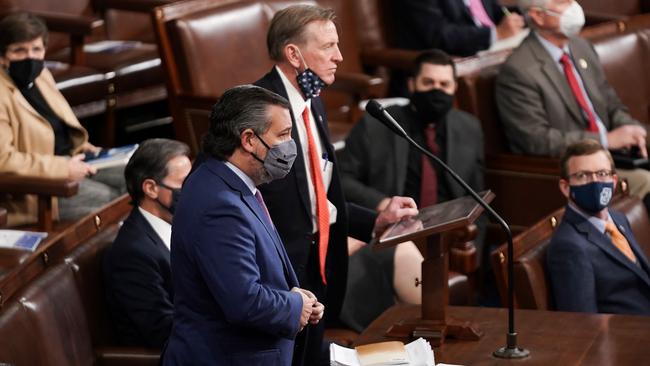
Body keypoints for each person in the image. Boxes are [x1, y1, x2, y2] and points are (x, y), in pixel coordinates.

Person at [254, 5, 418, 365]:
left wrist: (374, 219)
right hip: (279, 279)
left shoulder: (313, 102)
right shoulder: (257, 109)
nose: (339, 56)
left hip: (319, 266)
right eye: (328, 46)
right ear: (294, 54)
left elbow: (318, 194)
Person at [164, 85, 323, 365]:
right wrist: (296, 305)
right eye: (283, 134)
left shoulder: (226, 184)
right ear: (249, 139)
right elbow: (244, 302)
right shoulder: (219, 204)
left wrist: (297, 299)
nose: (290, 145)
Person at [338, 50, 485, 331]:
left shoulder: (469, 127)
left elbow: (476, 196)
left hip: (445, 231)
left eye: (444, 85)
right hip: (393, 229)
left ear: (455, 88)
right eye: (428, 83)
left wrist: (474, 249)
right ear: (411, 85)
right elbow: (342, 179)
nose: (436, 91)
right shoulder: (377, 124)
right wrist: (382, 204)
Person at [496, 0, 650, 199]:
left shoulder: (581, 46)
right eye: (562, 2)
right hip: (579, 166)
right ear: (538, 16)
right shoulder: (518, 70)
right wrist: (605, 141)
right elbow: (536, 140)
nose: (573, 6)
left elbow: (611, 104)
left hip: (620, 154)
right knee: (645, 182)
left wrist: (630, 132)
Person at [0, 12, 125, 226]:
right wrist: (62, 167)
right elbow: (3, 161)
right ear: (2, 56)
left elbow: (57, 125)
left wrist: (83, 148)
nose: (30, 57)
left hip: (77, 162)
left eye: (36, 49)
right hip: (41, 190)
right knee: (113, 199)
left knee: (142, 176)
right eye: (19, 50)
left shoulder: (41, 75)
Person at [103, 138, 191, 349]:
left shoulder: (186, 225)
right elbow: (162, 330)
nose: (193, 190)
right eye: (184, 184)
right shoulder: (132, 253)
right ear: (151, 188)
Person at [547, 139, 650, 315]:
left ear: (614, 180)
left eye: (602, 174)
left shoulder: (618, 219)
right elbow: (584, 325)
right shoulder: (568, 247)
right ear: (565, 187)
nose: (595, 182)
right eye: (582, 175)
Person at [394, 0, 525, 57]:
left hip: (493, 50)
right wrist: (495, 33)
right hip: (456, 58)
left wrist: (528, 12)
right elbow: (441, 36)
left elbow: (495, 12)